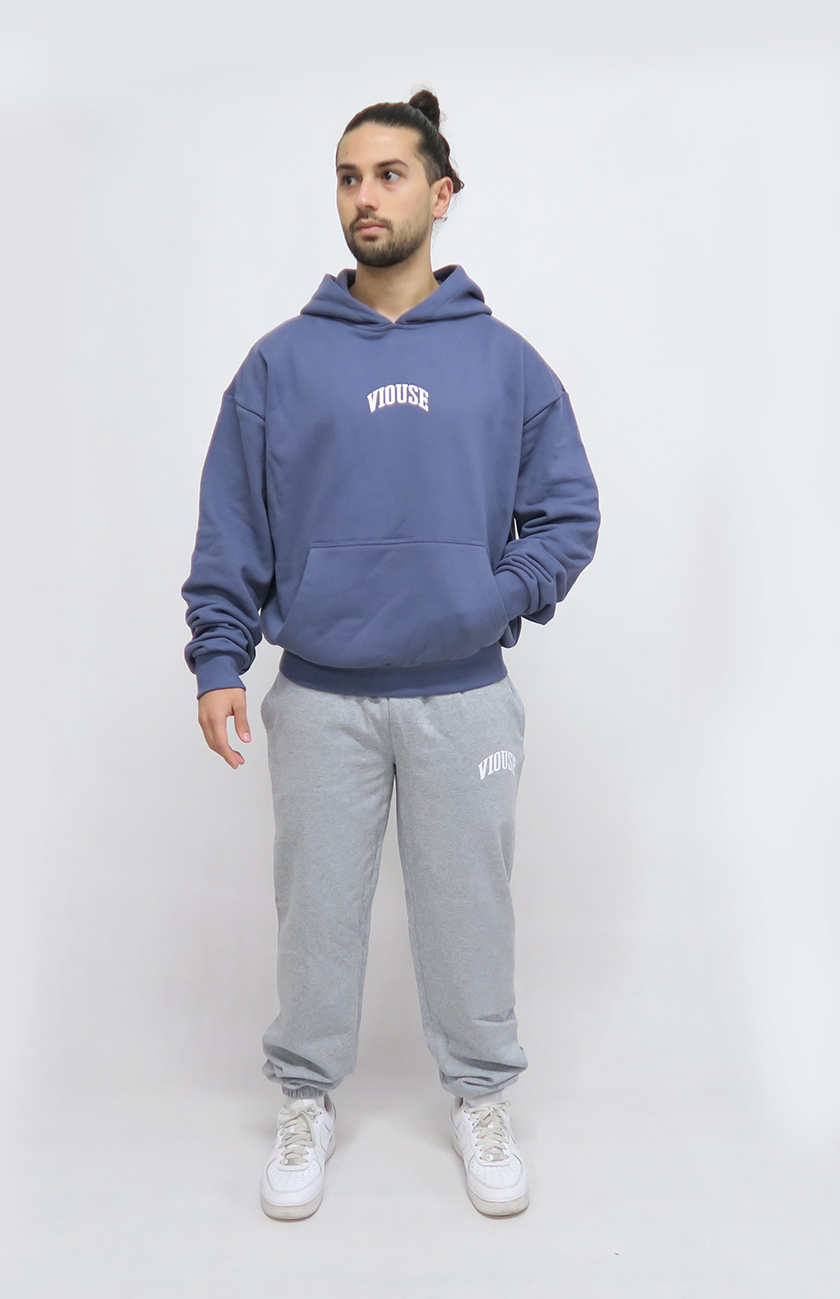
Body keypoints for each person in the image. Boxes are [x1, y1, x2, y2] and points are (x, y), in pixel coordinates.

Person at [180, 88, 601, 1221]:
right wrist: (220, 660)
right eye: (348, 176)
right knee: (316, 911)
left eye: (389, 174)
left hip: (465, 695)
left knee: (470, 912)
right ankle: (305, 1097)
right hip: (320, 696)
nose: (364, 197)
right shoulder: (281, 364)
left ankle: (481, 1098)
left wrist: (489, 596)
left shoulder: (506, 363)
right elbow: (232, 525)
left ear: (441, 193)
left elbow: (568, 514)